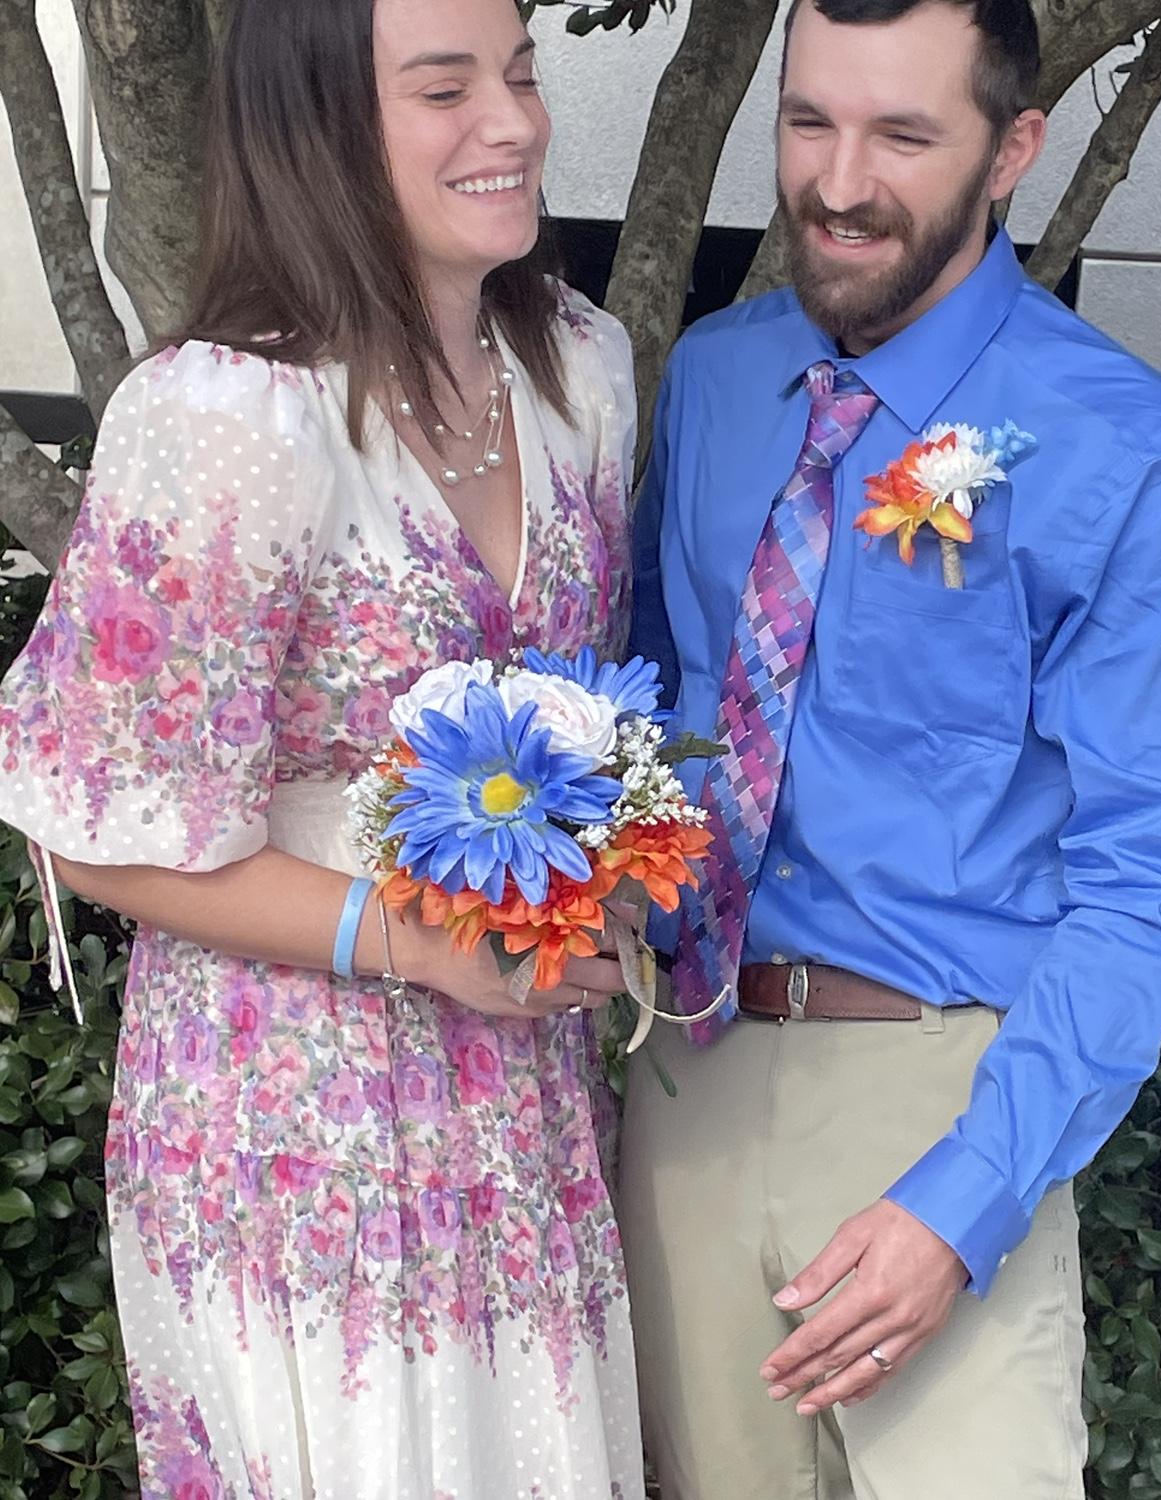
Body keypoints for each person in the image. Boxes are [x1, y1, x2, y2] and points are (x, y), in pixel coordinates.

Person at [0, 0, 645, 1494]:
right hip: (289, 1126)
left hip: (521, 1100)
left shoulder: (579, 369)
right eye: (445, 89)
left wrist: (606, 875)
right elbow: (101, 834)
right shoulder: (226, 417)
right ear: (322, 128)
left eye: (522, 72)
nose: (514, 122)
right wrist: (415, 942)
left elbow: (580, 724)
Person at [623, 0, 1161, 1496]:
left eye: (903, 136)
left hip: (950, 1090)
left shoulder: (1132, 453)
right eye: (810, 122)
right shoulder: (715, 381)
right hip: (686, 1084)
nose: (841, 183)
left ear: (1012, 149)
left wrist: (965, 1201)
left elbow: (1153, 883)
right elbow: (658, 702)